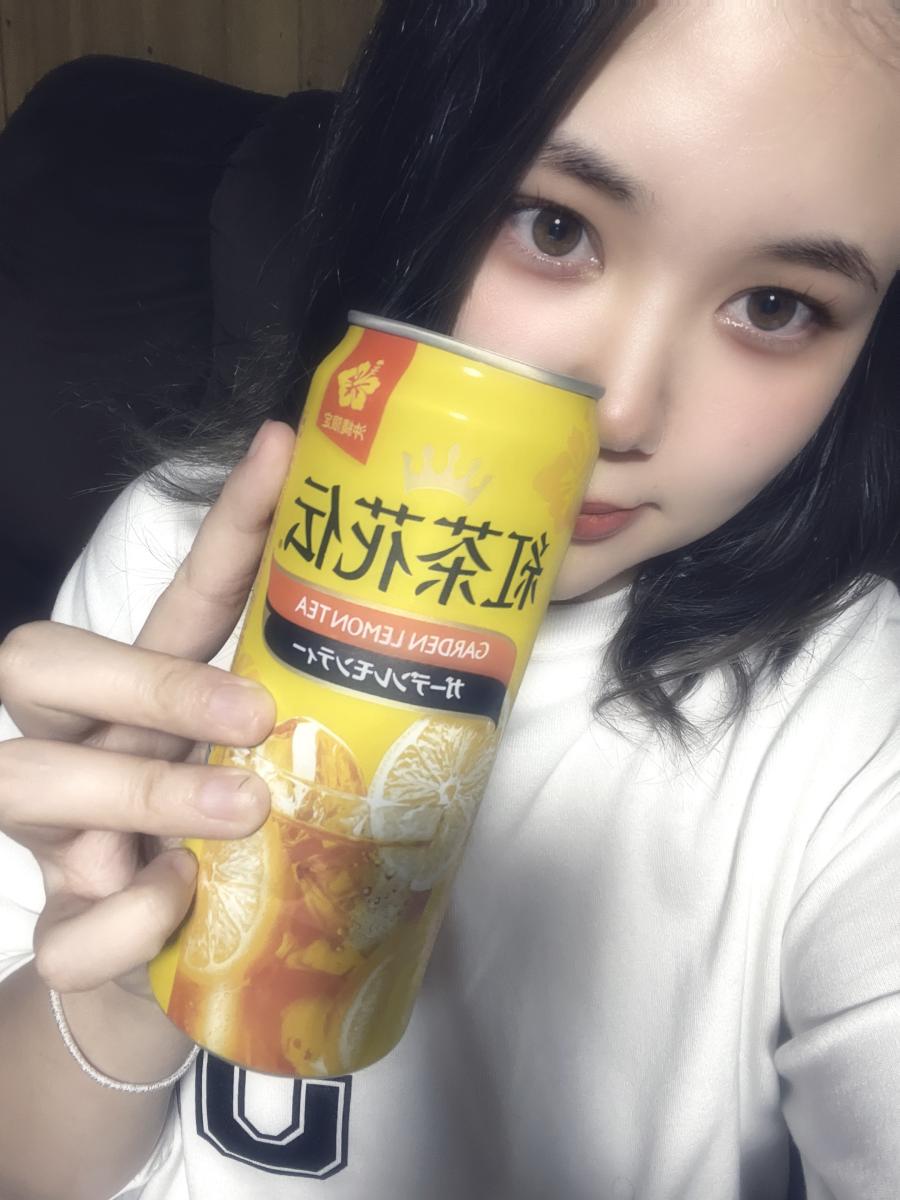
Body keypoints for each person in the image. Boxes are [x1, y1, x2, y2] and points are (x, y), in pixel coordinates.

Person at [1, 0, 899, 1197]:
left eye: (777, 307)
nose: (624, 410)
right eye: (555, 226)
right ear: (421, 176)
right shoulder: (173, 559)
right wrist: (117, 993)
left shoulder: (859, 722)